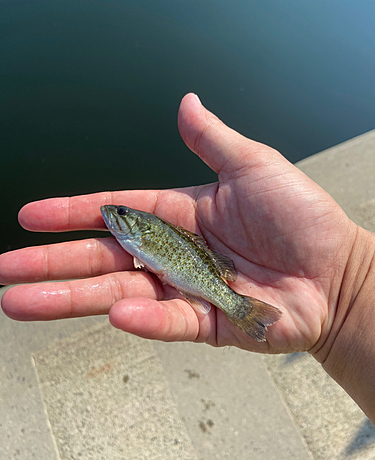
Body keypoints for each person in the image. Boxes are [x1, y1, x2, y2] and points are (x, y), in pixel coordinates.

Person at [1, 95, 375, 430]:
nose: (111, 215)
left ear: (136, 226)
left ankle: (241, 309)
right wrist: (347, 295)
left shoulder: (142, 234)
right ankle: (242, 309)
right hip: (199, 279)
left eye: (120, 213)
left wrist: (347, 293)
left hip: (205, 284)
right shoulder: (139, 234)